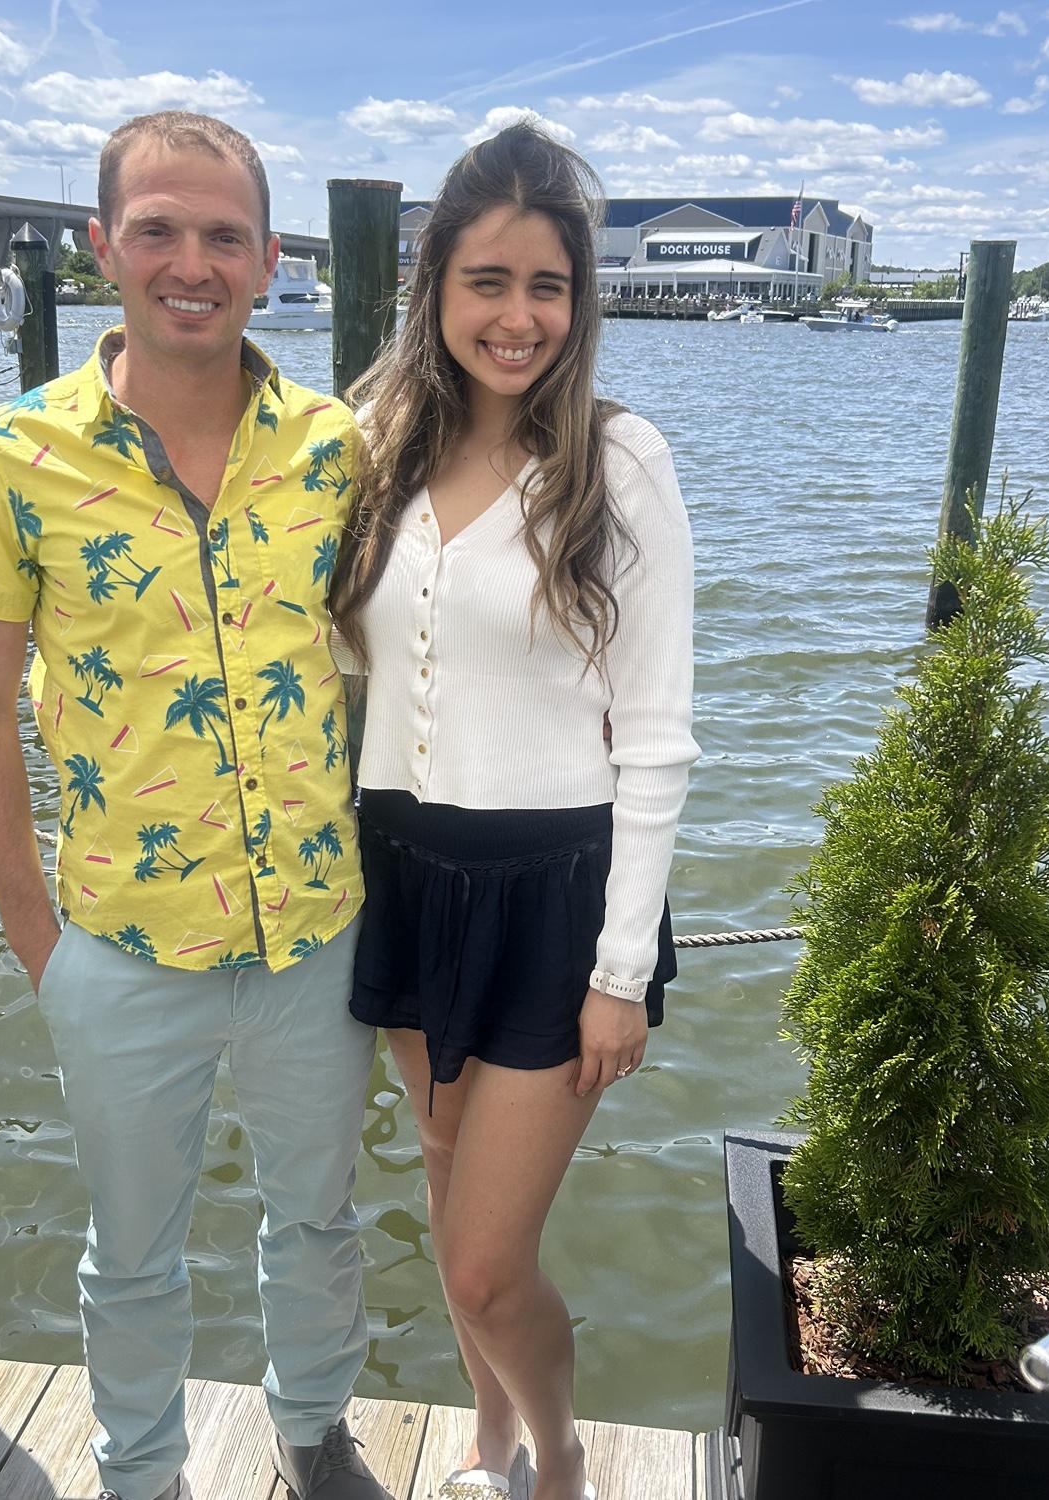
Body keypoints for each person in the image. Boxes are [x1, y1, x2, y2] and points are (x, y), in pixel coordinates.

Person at [0, 111, 392, 1500]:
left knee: (319, 1222)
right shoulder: (10, 455)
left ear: (269, 258)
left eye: (225, 236)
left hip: (317, 931)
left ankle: (313, 1430)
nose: (194, 263)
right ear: (101, 246)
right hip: (120, 944)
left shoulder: (337, 446)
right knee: (131, 1250)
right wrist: (41, 948)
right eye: (159, 231)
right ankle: (140, 1473)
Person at [330, 123, 698, 1500]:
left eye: (548, 285)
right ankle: (483, 1442)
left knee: (488, 1263)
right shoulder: (376, 444)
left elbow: (655, 741)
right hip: (405, 872)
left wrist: (621, 975)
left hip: (556, 898)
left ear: (580, 299)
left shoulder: (619, 459)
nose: (518, 316)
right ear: (434, 281)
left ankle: (558, 1457)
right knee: (440, 1186)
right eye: (488, 280)